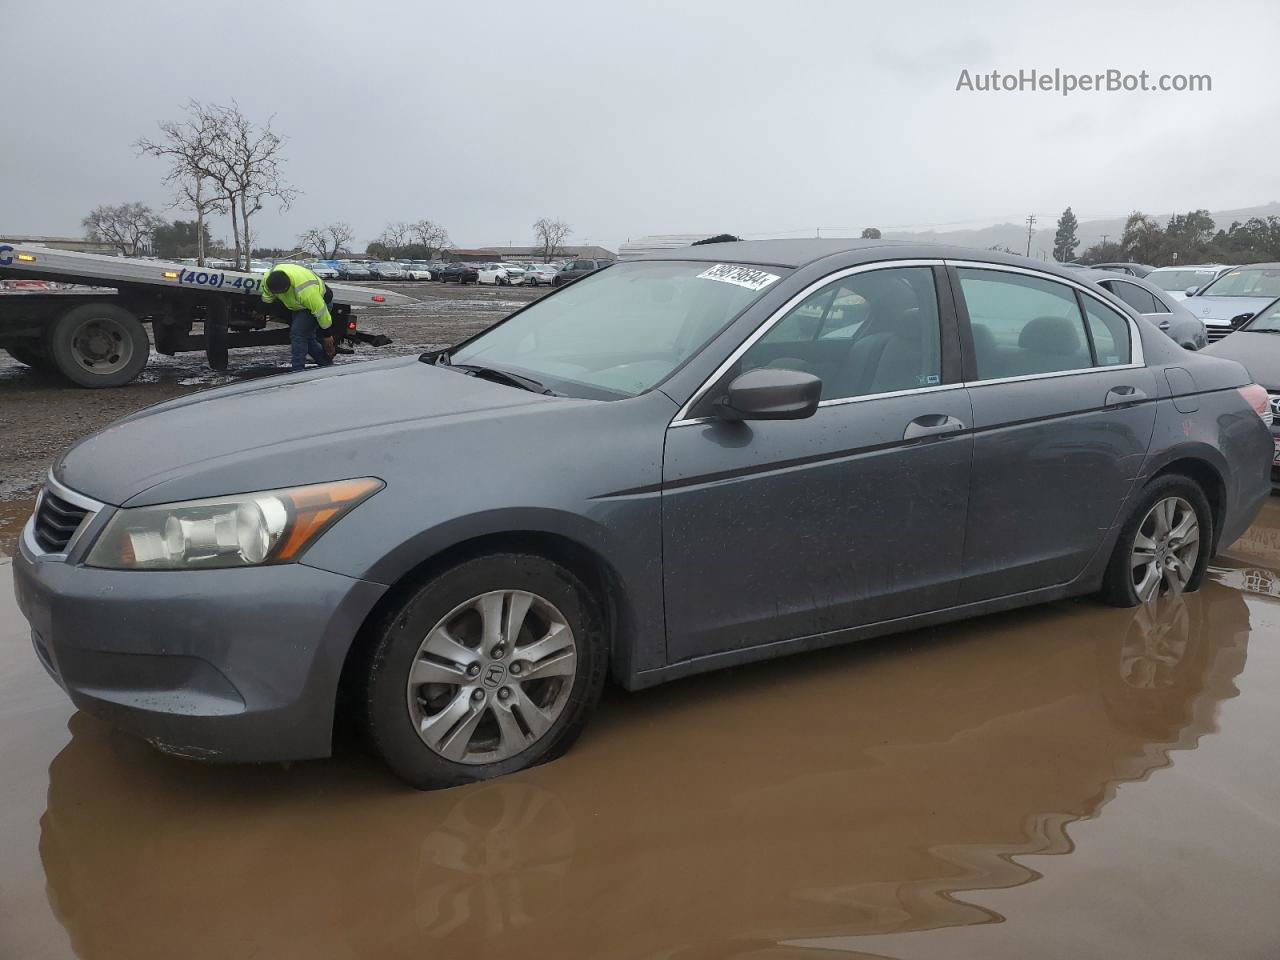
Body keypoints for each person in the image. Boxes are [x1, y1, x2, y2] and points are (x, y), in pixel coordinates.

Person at [260, 263, 337, 372]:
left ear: (288, 287)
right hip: (299, 306)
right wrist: (261, 312)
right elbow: (267, 299)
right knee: (307, 338)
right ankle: (327, 364)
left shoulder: (305, 290)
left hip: (320, 302)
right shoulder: (268, 281)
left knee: (298, 335)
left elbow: (321, 312)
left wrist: (328, 335)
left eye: (281, 292)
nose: (279, 295)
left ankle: (298, 370)